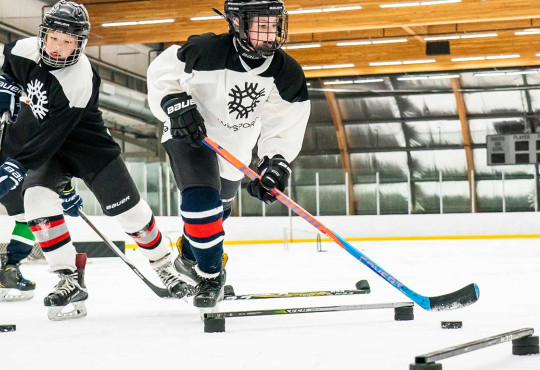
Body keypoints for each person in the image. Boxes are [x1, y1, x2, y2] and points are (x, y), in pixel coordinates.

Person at [0, 0, 188, 320]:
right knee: (36, 201)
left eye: (68, 41)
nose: (58, 48)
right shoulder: (20, 49)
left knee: (130, 215)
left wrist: (17, 164)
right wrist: (6, 88)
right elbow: (9, 69)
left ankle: (164, 265)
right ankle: (67, 277)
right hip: (47, 150)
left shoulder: (79, 76)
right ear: (43, 34)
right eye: (54, 38)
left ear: (80, 44)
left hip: (88, 150)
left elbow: (52, 134)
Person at [147, 0, 310, 308]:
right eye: (261, 23)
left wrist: (275, 161)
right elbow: (162, 71)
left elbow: (284, 122)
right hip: (191, 134)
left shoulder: (287, 72)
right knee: (201, 201)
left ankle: (187, 255)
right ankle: (211, 276)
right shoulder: (206, 49)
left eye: (274, 24)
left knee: (217, 214)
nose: (270, 31)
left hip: (235, 145)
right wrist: (174, 102)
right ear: (237, 22)